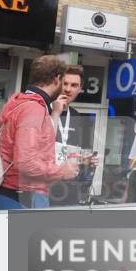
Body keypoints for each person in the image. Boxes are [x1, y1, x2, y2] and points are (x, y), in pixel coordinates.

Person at [0, 56, 80, 210]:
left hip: (12, 193)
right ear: (57, 79)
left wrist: (55, 114)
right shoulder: (34, 108)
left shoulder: (18, 101)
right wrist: (61, 172)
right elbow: (26, 162)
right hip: (24, 195)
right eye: (64, 81)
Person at [49, 65, 100, 206]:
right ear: (57, 83)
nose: (68, 89)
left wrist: (85, 160)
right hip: (43, 188)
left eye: (74, 85)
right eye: (65, 83)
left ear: (79, 89)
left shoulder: (77, 115)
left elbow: (72, 154)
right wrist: (55, 112)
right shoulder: (44, 109)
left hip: (69, 190)